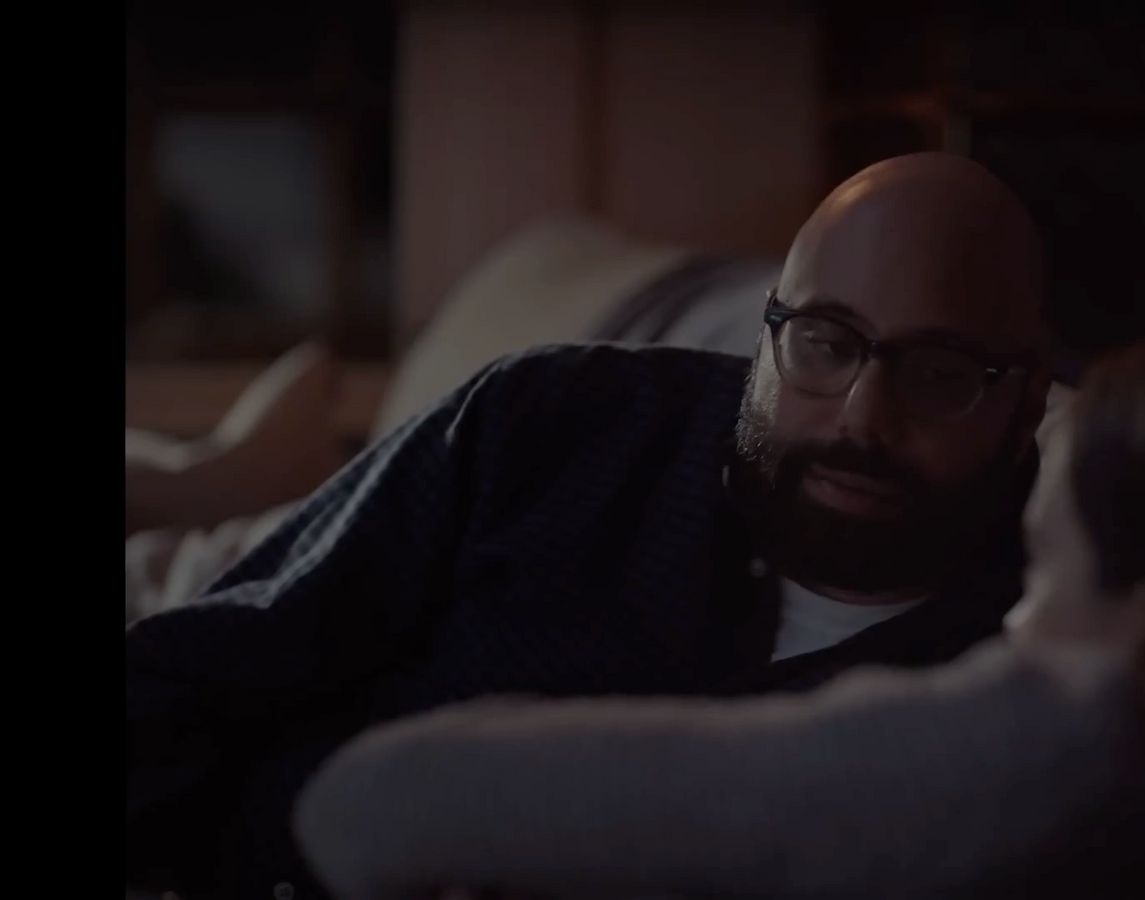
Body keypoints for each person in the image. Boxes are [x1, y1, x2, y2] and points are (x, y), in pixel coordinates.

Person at [126, 152, 1056, 898]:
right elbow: (208, 664)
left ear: (1025, 409)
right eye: (824, 342)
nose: (861, 417)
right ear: (769, 336)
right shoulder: (550, 423)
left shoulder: (1031, 660)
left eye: (938, 374)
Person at [293, 327, 1145, 900]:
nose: (1014, 615)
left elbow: (369, 807)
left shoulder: (1051, 770)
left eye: (1044, 567)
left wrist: (1052, 712)